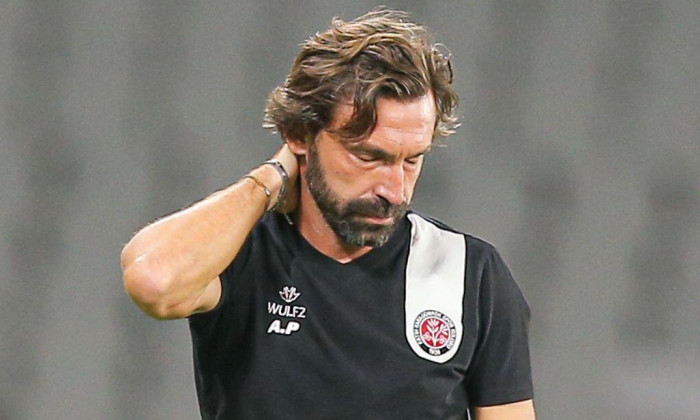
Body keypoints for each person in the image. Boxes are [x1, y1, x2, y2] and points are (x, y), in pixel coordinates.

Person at [121, 8, 535, 420]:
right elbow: (155, 281)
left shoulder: (471, 273)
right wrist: (270, 178)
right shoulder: (241, 256)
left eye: (412, 160)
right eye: (369, 157)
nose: (394, 190)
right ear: (300, 134)